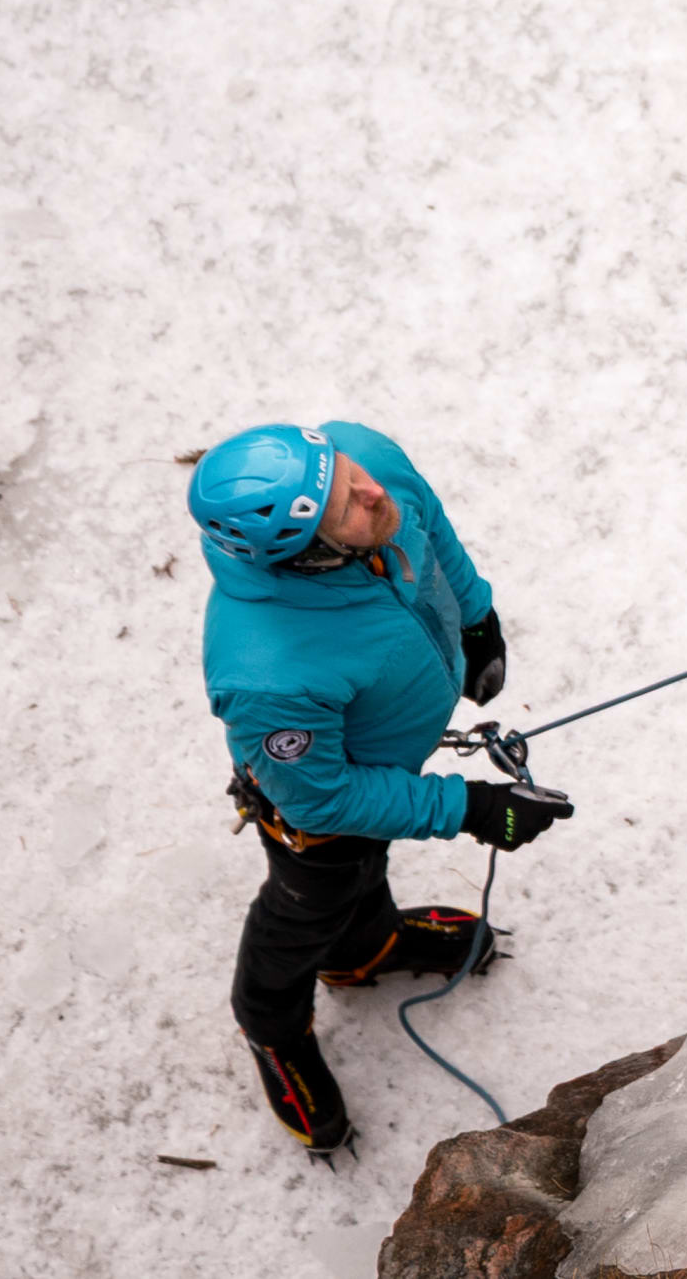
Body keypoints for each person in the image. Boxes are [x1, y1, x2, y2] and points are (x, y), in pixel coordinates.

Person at [190, 419, 574, 1158]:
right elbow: (322, 800)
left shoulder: (364, 460)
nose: (368, 489)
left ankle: (362, 951)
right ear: (306, 554)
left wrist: (476, 619)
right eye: (346, 505)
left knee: (367, 872)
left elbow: (430, 525)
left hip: (385, 754)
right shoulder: (268, 671)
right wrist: (471, 806)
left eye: (344, 471)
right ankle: (270, 1025)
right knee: (313, 898)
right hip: (321, 807)